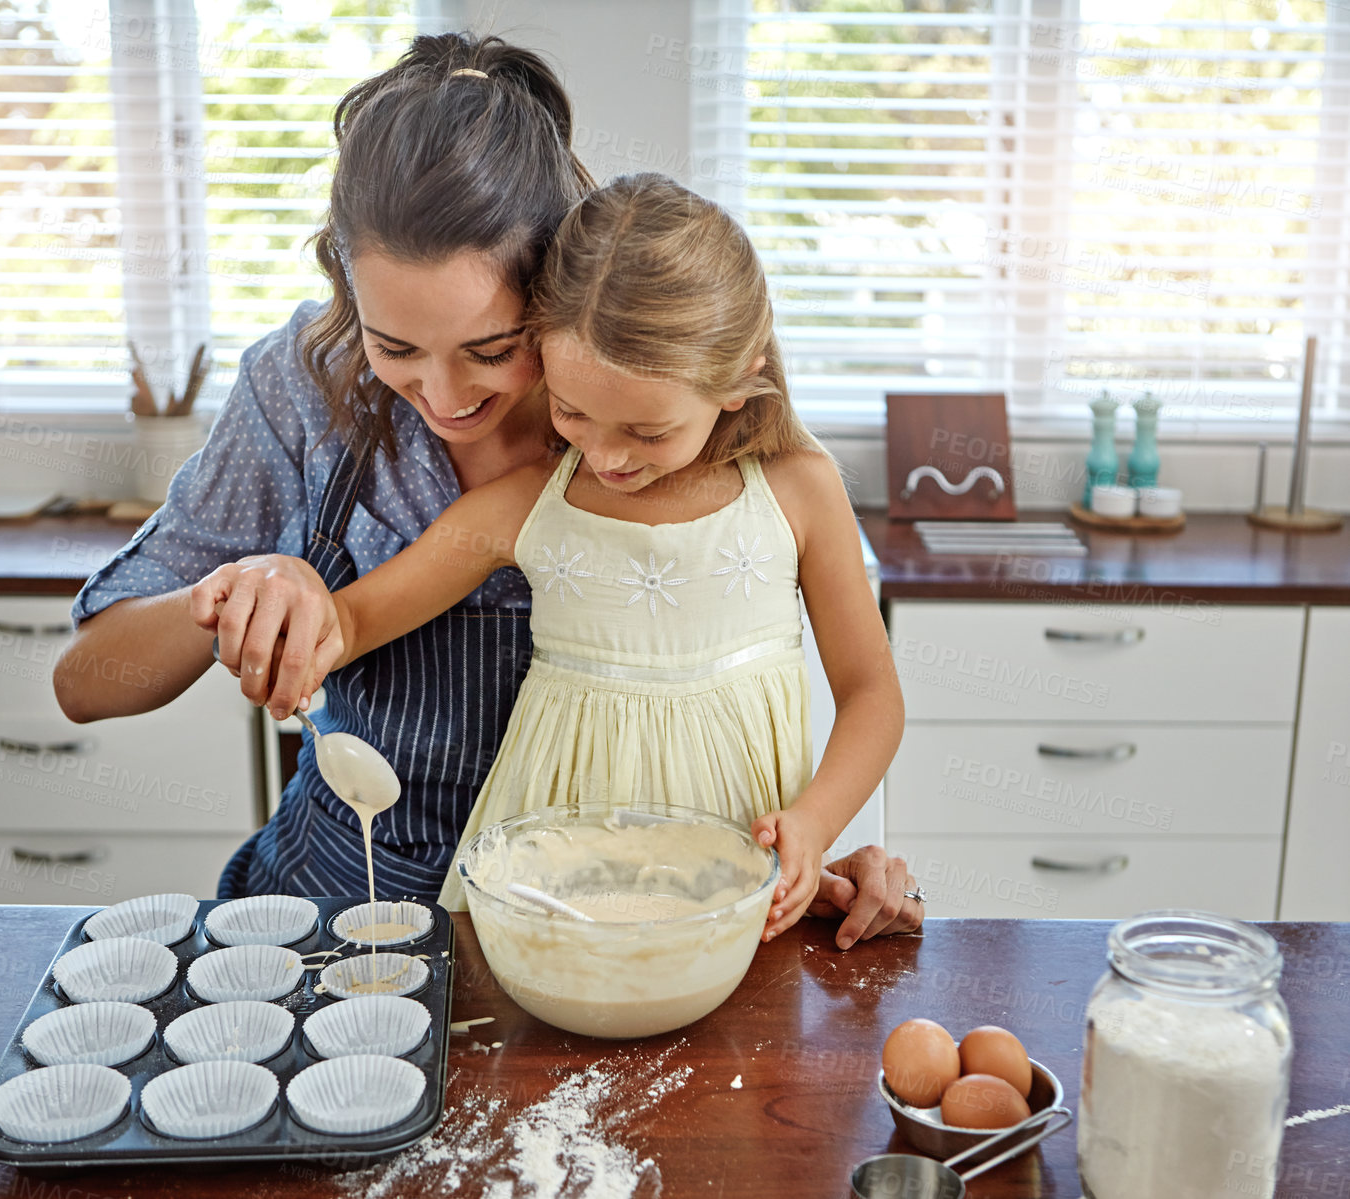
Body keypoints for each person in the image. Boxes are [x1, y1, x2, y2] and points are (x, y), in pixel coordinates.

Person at [55, 32, 923, 950]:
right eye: (395, 349)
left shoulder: (645, 386)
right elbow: (86, 682)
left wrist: (823, 843)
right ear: (347, 290)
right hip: (344, 903)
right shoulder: (300, 386)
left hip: (602, 925)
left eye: (493, 350)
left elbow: (743, 679)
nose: (445, 396)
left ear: (558, 293)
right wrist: (233, 598)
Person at [216, 173, 905, 941]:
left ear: (738, 377)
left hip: (740, 877)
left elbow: (872, 691)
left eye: (647, 432)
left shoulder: (800, 493)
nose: (606, 456)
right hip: (547, 894)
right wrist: (281, 603)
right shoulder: (532, 503)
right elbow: (354, 616)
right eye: (573, 413)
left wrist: (814, 822)